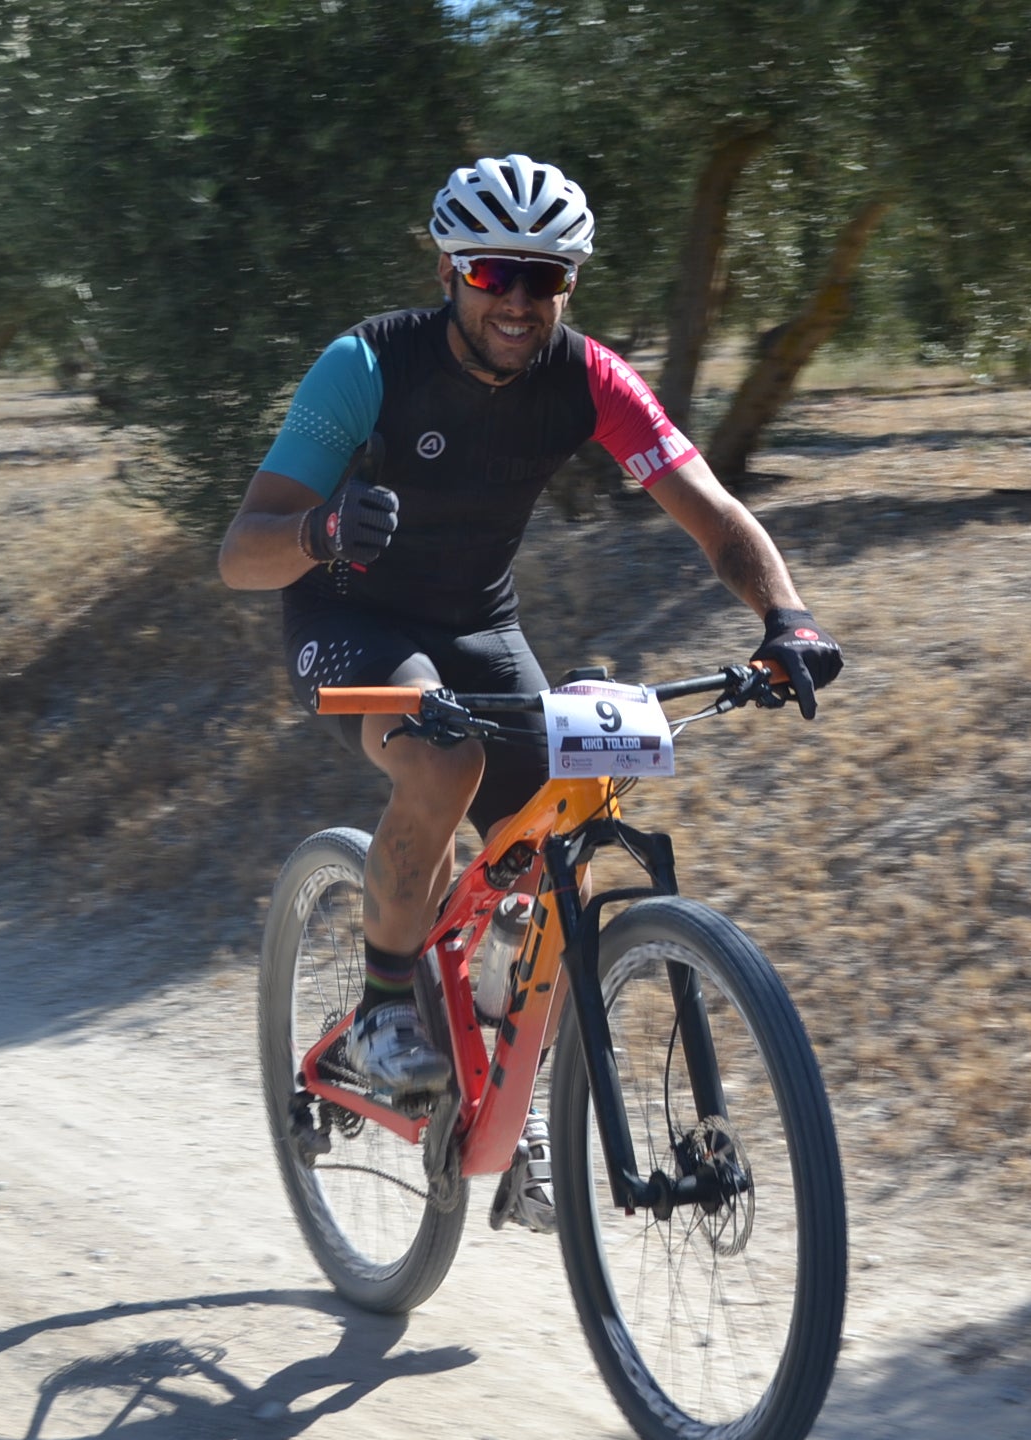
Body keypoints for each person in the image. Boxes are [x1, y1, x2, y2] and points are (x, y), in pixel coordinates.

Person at [219, 154, 841, 1225]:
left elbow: (710, 508)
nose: (517, 299)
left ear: (571, 285)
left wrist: (785, 616)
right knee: (444, 761)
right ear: (453, 270)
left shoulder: (588, 378)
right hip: (351, 616)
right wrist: (323, 532)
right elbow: (241, 553)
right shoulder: (364, 365)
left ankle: (509, 1079)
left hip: (477, 626)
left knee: (562, 818)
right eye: (494, 271)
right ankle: (379, 1016)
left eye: (544, 278)